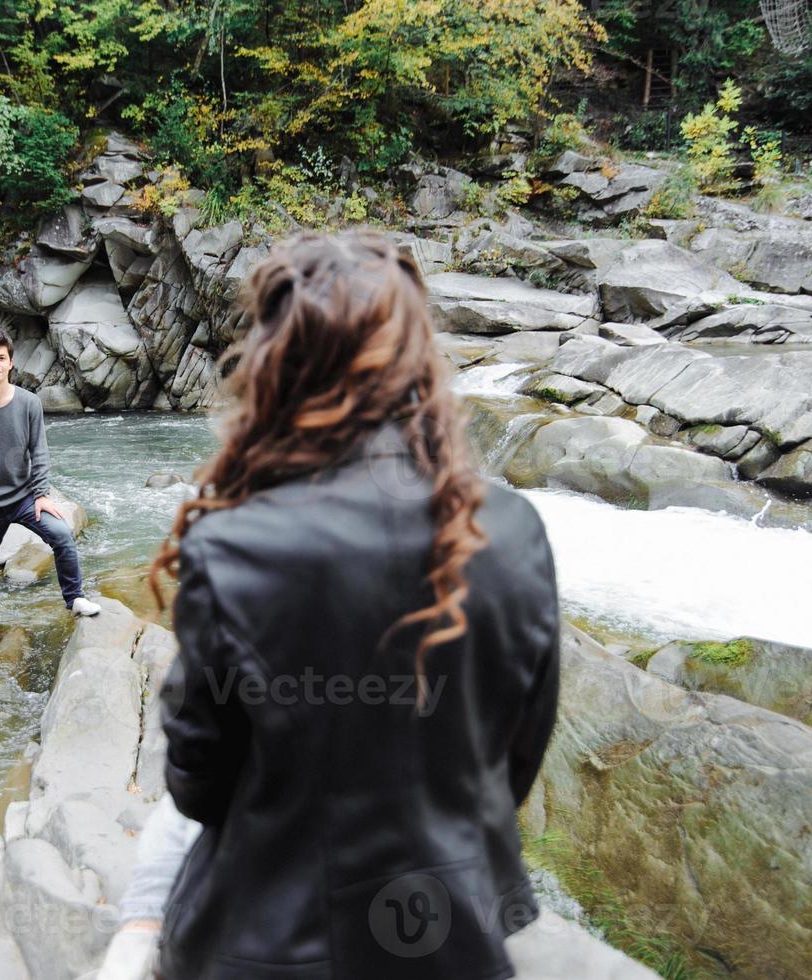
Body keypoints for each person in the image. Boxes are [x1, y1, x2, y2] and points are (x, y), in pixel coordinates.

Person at [145, 230, 562, 979]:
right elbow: (514, 761)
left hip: (266, 947)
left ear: (278, 360)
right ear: (417, 362)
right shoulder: (512, 528)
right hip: (455, 943)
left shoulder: (237, 544)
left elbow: (195, 783)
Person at [0, 328, 101, 657]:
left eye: (1, 358)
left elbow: (39, 452)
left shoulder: (29, 403)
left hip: (24, 499)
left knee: (61, 535)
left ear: (11, 363)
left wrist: (41, 494)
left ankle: (74, 599)